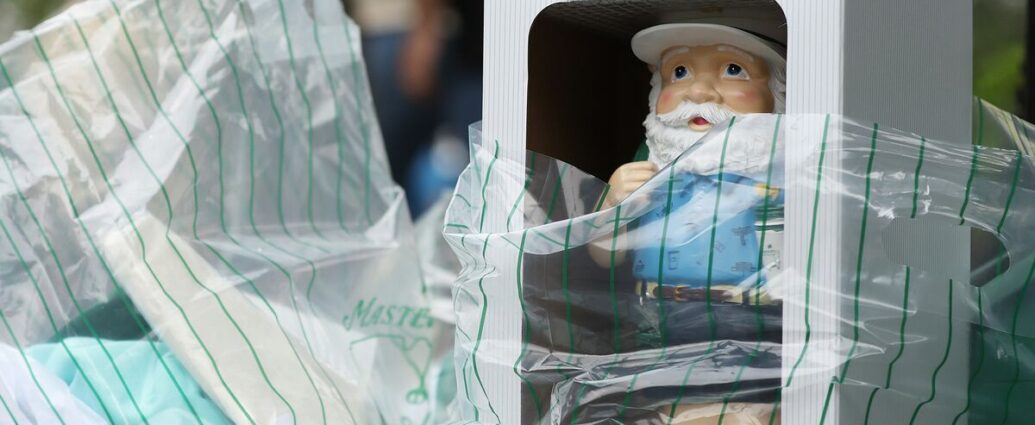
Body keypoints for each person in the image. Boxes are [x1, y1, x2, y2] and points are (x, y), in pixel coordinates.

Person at [588, 23, 787, 425]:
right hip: (663, 322)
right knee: (674, 409)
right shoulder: (649, 163)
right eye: (680, 72)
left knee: (751, 412)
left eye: (733, 70)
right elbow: (604, 257)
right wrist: (612, 204)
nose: (699, 92)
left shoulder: (781, 167)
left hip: (753, 322)